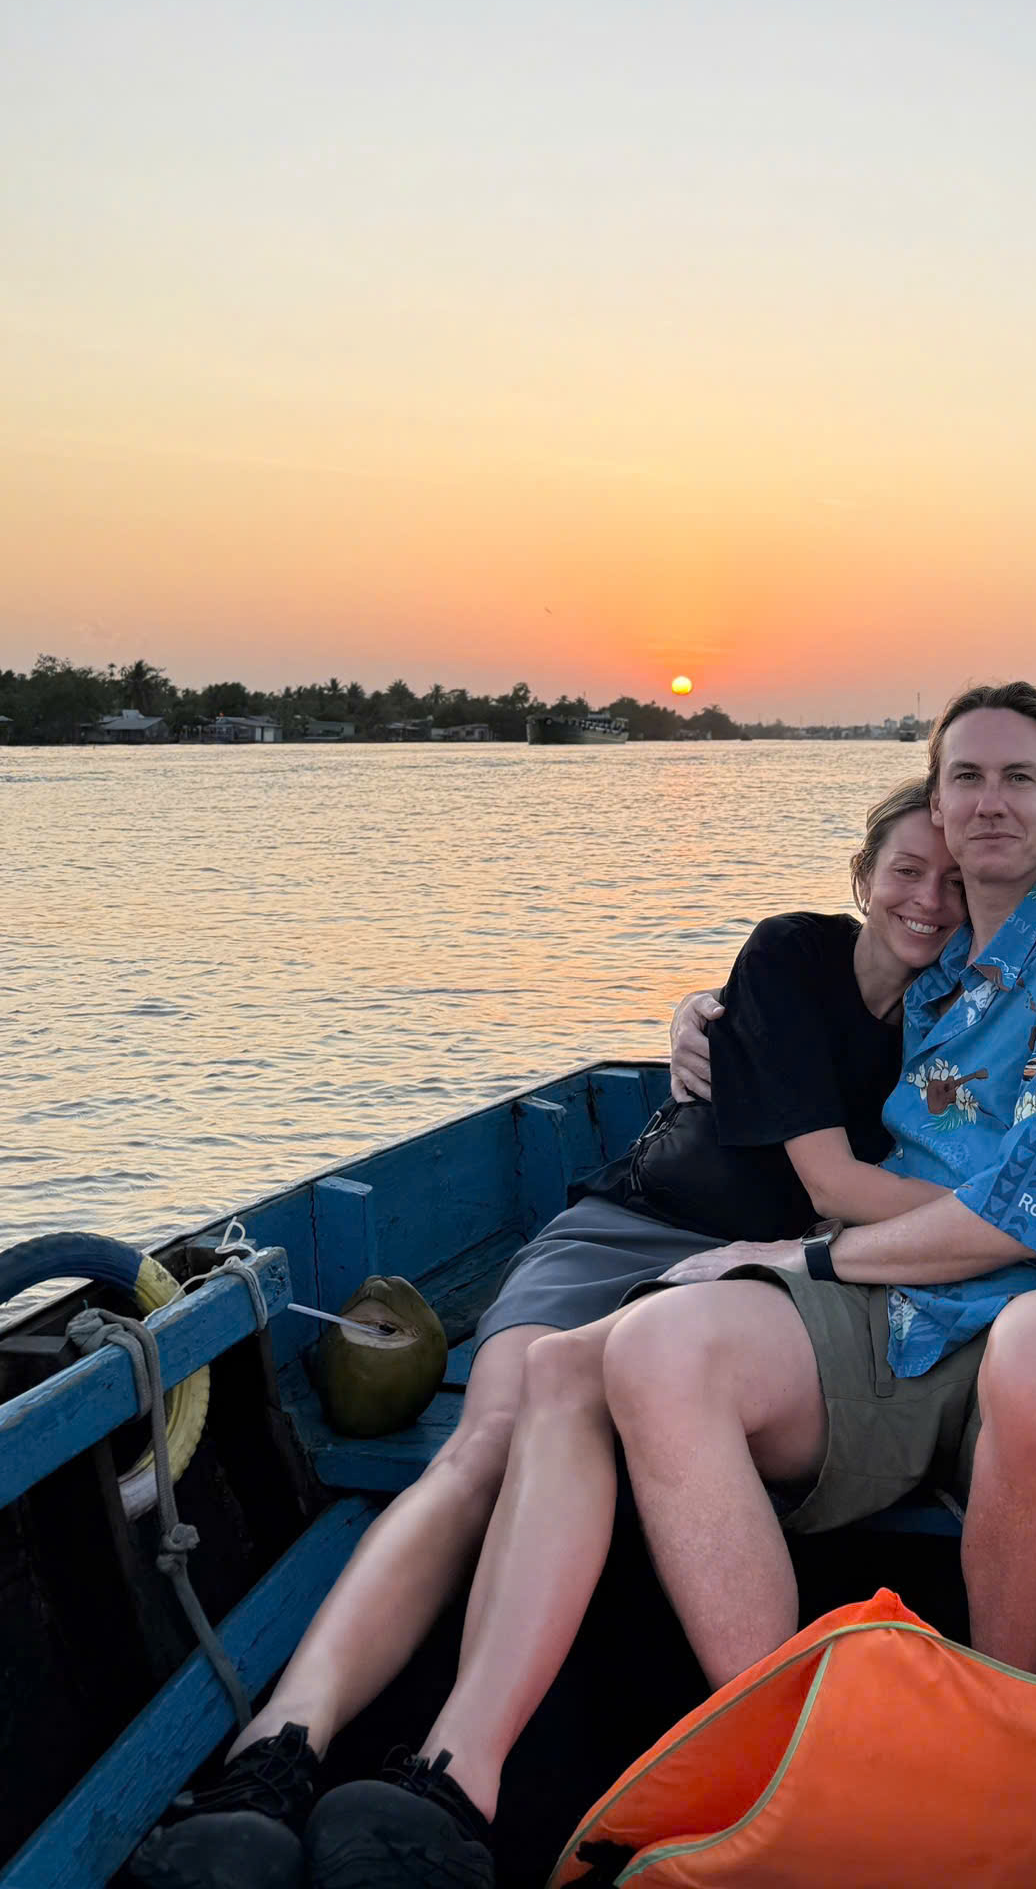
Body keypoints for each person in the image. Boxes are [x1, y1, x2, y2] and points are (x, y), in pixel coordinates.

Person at [301, 681, 1036, 1887]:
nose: (987, 807)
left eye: (1019, 777)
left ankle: (1004, 1747)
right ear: (930, 805)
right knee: (650, 1347)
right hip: (886, 1301)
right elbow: (839, 1070)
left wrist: (814, 1254)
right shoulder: (929, 986)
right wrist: (697, 1023)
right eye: (966, 779)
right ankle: (790, 1762)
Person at [130, 779, 970, 1889]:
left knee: (578, 1401)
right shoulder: (791, 957)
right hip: (637, 1223)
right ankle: (277, 1750)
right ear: (864, 878)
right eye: (908, 870)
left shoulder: (979, 1009)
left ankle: (446, 1775)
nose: (930, 898)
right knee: (493, 1429)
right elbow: (825, 1170)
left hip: (754, 1286)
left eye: (957, 879)